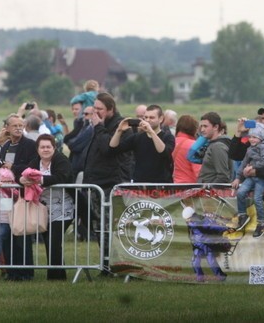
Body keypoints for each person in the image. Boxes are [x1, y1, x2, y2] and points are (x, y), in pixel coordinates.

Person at [82, 92, 133, 275]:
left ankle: (115, 265)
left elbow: (107, 149)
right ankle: (106, 264)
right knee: (99, 226)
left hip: (111, 183)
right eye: (94, 108)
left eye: (100, 109)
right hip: (96, 182)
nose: (96, 112)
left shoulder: (121, 127)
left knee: (110, 227)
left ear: (110, 109)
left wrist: (99, 127)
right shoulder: (100, 126)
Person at [20, 134, 75, 280]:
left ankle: (53, 277)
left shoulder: (61, 160)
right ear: (37, 149)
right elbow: (24, 174)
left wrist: (39, 180)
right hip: (44, 209)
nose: (45, 150)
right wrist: (22, 180)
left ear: (54, 148)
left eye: (48, 147)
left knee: (53, 241)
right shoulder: (34, 162)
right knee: (50, 242)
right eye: (42, 147)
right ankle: (59, 275)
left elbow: (62, 177)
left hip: (64, 207)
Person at [0, 114, 38, 281]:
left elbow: (32, 166)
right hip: (6, 196)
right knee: (7, 231)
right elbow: (2, 170)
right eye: (15, 126)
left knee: (21, 232)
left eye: (21, 125)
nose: (19, 128)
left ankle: (26, 272)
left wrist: (14, 167)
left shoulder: (29, 144)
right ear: (7, 128)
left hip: (21, 195)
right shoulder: (5, 146)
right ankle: (11, 271)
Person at [109, 104, 175, 183]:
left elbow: (163, 152)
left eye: (152, 117)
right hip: (140, 184)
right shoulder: (137, 137)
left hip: (161, 184)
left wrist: (151, 132)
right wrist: (119, 130)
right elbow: (113, 148)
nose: (147, 120)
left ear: (160, 119)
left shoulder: (168, 137)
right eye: (146, 117)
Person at [232, 122, 264, 238]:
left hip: (261, 178)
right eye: (250, 137)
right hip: (250, 177)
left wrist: (253, 167)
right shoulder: (250, 149)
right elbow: (244, 163)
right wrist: (238, 178)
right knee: (240, 192)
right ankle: (242, 215)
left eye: (254, 137)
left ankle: (261, 222)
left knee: (257, 198)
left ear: (260, 137)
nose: (251, 139)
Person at [197, 112, 232, 184]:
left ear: (216, 127)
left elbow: (223, 176)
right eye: (201, 126)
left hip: (211, 192)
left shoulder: (218, 147)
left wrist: (208, 190)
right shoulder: (212, 144)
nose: (202, 130)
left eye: (205, 126)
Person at [172, 115, 202, 183]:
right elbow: (198, 171)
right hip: (190, 186)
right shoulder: (194, 145)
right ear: (193, 128)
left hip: (173, 185)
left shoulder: (171, 142)